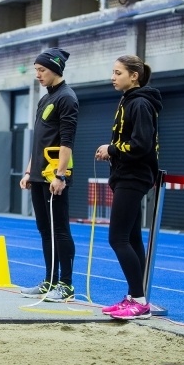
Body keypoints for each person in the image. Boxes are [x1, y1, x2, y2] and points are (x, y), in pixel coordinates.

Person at [95, 55, 163, 320]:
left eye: (118, 72)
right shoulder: (128, 101)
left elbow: (142, 144)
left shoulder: (141, 104)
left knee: (118, 238)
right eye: (112, 72)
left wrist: (111, 149)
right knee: (132, 238)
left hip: (134, 177)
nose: (113, 77)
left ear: (134, 75)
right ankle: (135, 296)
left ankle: (140, 300)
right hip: (125, 174)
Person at [18, 48, 79, 303]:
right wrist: (30, 171)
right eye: (36, 70)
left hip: (55, 177)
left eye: (41, 70)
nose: (38, 75)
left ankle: (66, 285)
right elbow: (39, 140)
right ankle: (50, 281)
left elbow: (66, 142)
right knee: (45, 229)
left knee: (60, 230)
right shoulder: (46, 99)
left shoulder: (67, 98)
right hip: (39, 176)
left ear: (55, 70)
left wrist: (60, 176)